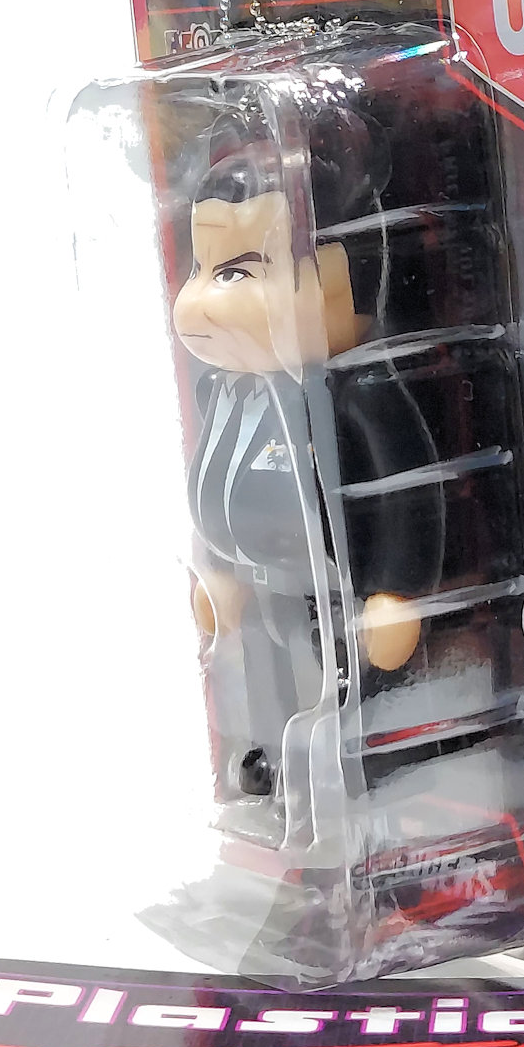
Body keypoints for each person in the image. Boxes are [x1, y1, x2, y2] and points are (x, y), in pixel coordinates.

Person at [174, 104, 444, 801]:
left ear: (333, 280)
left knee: (348, 670)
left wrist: (396, 589)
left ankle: (363, 758)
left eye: (239, 271)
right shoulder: (225, 392)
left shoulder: (359, 397)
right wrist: (220, 572)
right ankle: (270, 759)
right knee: (267, 670)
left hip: (339, 589)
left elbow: (406, 491)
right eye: (202, 268)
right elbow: (213, 482)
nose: (199, 302)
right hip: (264, 582)